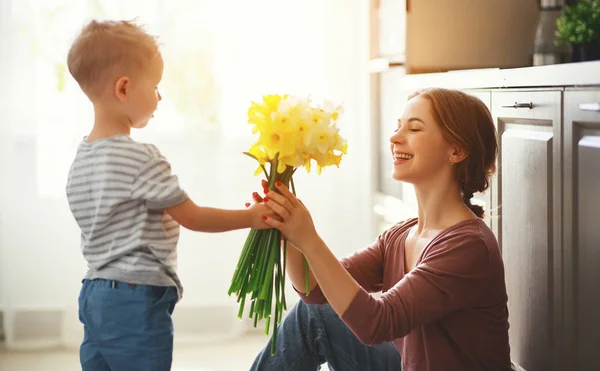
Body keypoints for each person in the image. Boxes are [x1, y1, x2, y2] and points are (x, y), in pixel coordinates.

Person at [250, 88, 512, 371]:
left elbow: (376, 323)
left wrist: (309, 239)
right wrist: (287, 234)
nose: (395, 137)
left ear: (456, 151)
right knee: (312, 314)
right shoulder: (400, 236)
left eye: (414, 128)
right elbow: (315, 291)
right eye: (398, 126)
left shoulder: (468, 246)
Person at [65, 20, 271, 371]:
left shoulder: (81, 157)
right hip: (136, 295)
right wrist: (251, 217)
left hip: (93, 293)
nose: (160, 96)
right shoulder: (141, 157)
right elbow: (193, 217)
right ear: (124, 88)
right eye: (156, 86)